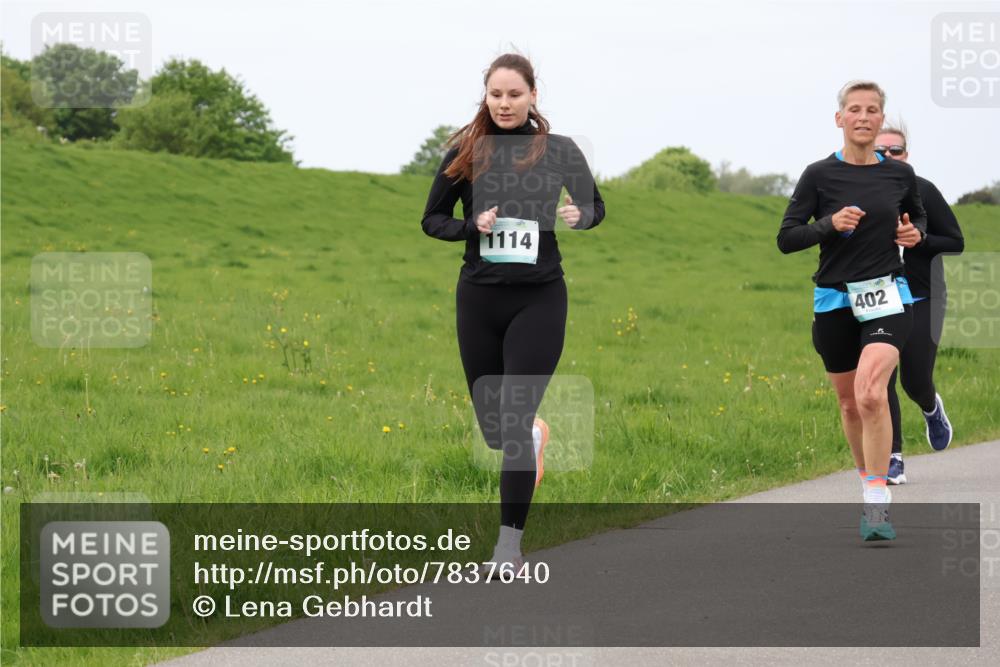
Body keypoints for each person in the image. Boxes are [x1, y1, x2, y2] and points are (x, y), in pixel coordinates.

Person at [421, 53, 605, 573]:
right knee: (496, 430)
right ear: (487, 96)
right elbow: (432, 219)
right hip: (478, 297)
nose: (505, 103)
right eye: (496, 94)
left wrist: (580, 214)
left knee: (516, 420)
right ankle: (534, 436)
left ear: (532, 96)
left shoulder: (560, 151)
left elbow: (596, 207)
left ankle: (508, 548)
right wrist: (470, 226)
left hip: (539, 296)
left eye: (514, 94)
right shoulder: (466, 151)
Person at [778, 81, 927, 541]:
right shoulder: (819, 175)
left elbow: (917, 218)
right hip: (834, 299)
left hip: (887, 294)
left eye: (873, 110)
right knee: (848, 402)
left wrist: (913, 234)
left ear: (882, 120)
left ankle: (879, 504)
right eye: (855, 109)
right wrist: (829, 224)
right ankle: (868, 486)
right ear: (840, 118)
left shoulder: (900, 177)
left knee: (869, 392)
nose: (864, 117)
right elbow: (787, 238)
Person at [874, 125, 964, 485]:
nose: (888, 156)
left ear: (906, 156)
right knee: (881, 380)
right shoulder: (858, 194)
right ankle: (893, 457)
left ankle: (930, 407)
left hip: (923, 296)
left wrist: (919, 239)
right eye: (880, 150)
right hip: (878, 298)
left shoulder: (924, 191)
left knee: (915, 379)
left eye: (895, 150)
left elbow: (955, 241)